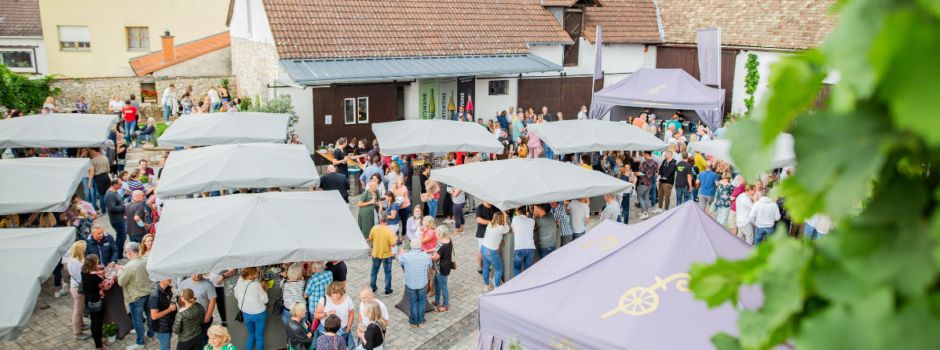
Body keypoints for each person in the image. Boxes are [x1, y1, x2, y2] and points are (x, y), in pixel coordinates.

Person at [118, 242, 153, 348]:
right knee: (149, 316)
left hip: (135, 296)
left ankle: (140, 342)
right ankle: (151, 334)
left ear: (129, 253)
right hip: (148, 292)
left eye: (126, 252)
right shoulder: (146, 260)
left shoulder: (129, 266)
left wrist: (120, 272)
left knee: (137, 320)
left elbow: (121, 282)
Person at [399, 238, 432, 326]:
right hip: (422, 283)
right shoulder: (426, 256)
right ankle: (420, 321)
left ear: (411, 246)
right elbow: (430, 265)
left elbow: (400, 262)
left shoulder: (406, 256)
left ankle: (414, 321)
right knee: (421, 301)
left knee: (413, 302)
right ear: (420, 246)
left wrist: (401, 252)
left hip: (410, 283)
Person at [234, 267, 268, 350]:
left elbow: (236, 294)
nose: (258, 270)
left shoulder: (240, 279)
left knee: (251, 335)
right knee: (259, 336)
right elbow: (265, 300)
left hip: (246, 313)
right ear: (252, 273)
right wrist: (265, 289)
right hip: (259, 314)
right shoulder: (256, 284)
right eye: (256, 270)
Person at [179, 273, 217, 345]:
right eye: (195, 274)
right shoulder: (184, 283)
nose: (197, 276)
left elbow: (212, 301)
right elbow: (181, 299)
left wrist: (208, 316)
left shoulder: (208, 284)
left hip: (202, 319)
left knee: (203, 340)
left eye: (199, 274)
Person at [314, 281, 355, 347]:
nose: (336, 295)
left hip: (342, 330)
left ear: (341, 292)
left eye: (338, 293)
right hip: (325, 330)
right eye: (334, 293)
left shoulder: (347, 299)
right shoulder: (324, 299)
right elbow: (316, 315)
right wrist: (326, 313)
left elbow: (351, 315)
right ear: (330, 292)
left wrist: (347, 330)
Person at [66, 241, 89, 340]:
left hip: (76, 287)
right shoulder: (75, 262)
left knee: (80, 308)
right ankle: (77, 333)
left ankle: (81, 324)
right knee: (78, 310)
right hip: (78, 288)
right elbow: (80, 277)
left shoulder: (76, 259)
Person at [81, 254, 105, 350]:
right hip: (96, 301)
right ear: (94, 263)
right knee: (98, 323)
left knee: (93, 321)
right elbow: (105, 285)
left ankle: (97, 341)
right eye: (97, 261)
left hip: (88, 300)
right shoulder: (95, 277)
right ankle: (99, 345)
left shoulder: (83, 271)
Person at [368, 213, 396, 295]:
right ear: (387, 220)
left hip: (375, 253)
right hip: (386, 255)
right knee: (387, 272)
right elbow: (393, 244)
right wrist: (396, 239)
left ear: (379, 220)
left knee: (374, 271)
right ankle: (387, 289)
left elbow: (370, 238)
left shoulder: (374, 228)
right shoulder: (389, 231)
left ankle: (373, 287)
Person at [481, 211, 510, 290]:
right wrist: (505, 219)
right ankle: (497, 286)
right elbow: (507, 229)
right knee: (499, 269)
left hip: (483, 247)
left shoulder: (490, 224)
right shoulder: (501, 228)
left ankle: (486, 286)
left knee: (486, 267)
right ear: (501, 219)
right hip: (491, 251)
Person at [430, 225, 453, 312]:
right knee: (436, 283)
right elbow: (437, 248)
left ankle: (445, 305)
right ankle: (437, 301)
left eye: (436, 233)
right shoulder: (448, 240)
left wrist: (426, 255)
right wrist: (428, 250)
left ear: (441, 234)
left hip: (441, 268)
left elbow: (435, 258)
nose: (435, 235)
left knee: (443, 286)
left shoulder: (443, 246)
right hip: (440, 267)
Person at [150, 277, 178, 350]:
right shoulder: (155, 295)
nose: (170, 278)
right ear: (161, 278)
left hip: (168, 324)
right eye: (167, 276)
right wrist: (170, 309)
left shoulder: (168, 289)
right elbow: (154, 316)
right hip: (162, 328)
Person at [103, 178, 126, 256]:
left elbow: (118, 202)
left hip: (120, 217)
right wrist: (124, 207)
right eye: (120, 184)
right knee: (121, 236)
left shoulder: (115, 191)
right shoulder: (110, 194)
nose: (121, 185)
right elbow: (112, 208)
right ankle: (118, 254)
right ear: (114, 184)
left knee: (121, 236)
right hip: (116, 219)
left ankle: (117, 253)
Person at [511, 206, 536, 276]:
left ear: (518, 211)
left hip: (519, 248)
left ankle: (518, 283)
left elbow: (514, 232)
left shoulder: (515, 218)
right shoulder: (532, 220)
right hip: (531, 248)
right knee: (528, 271)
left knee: (517, 269)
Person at [88, 147, 110, 212]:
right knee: (107, 193)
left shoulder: (93, 160)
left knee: (101, 195)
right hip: (106, 176)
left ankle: (103, 210)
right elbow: (108, 169)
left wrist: (89, 182)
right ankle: (109, 208)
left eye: (92, 151)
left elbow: (92, 172)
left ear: (95, 151)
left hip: (98, 178)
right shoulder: (105, 157)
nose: (91, 153)